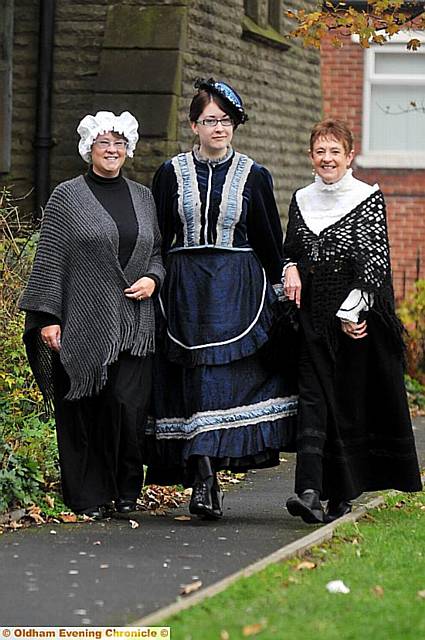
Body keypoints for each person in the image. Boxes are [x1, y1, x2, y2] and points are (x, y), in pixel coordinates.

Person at [144, 77, 298, 520]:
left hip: (237, 291)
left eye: (226, 122)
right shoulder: (170, 173)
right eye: (211, 120)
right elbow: (157, 235)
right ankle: (202, 475)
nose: (219, 129)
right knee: (191, 381)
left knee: (223, 382)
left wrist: (280, 286)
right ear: (194, 125)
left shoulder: (255, 175)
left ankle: (208, 477)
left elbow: (271, 239)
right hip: (185, 290)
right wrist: (151, 279)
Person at [19, 111, 165, 519]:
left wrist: (154, 278)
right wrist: (48, 317)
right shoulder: (67, 197)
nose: (112, 150)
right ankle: (89, 495)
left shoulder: (143, 196)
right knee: (86, 410)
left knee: (127, 407)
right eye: (104, 144)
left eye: (119, 144)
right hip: (82, 324)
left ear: (128, 149)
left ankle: (125, 489)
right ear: (89, 149)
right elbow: (50, 260)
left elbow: (156, 252)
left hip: (135, 324)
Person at [283, 118, 422, 524]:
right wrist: (289, 266)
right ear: (311, 156)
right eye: (320, 151)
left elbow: (374, 262)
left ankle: (341, 494)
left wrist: (352, 313)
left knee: (344, 403)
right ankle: (308, 492)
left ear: (349, 156)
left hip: (352, 321)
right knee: (312, 400)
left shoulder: (367, 198)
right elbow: (292, 247)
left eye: (335, 152)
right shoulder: (301, 198)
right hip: (310, 319)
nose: (327, 159)